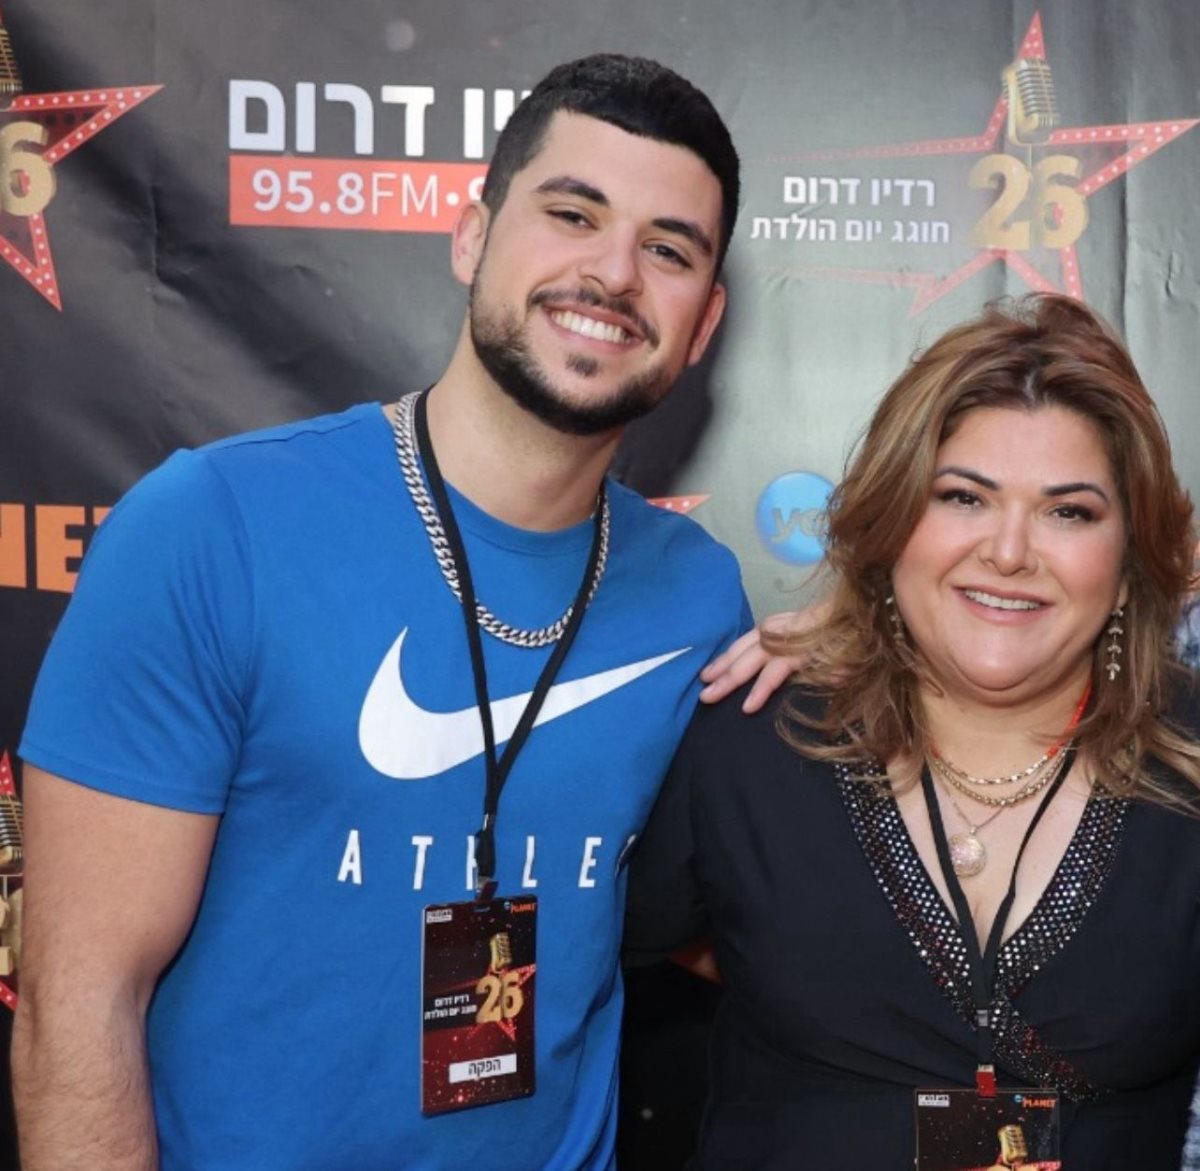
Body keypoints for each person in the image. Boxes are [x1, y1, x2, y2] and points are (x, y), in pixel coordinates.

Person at [13, 55, 752, 1171]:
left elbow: (744, 912)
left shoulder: (699, 596)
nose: (613, 273)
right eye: (572, 214)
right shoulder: (214, 527)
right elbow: (79, 1003)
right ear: (471, 236)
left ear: (703, 325)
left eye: (669, 249)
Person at [626, 293, 1200, 1169]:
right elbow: (624, 941)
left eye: (1068, 512)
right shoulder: (754, 741)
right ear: (894, 523)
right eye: (963, 497)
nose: (1009, 551)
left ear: (1128, 562)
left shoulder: (1187, 771)